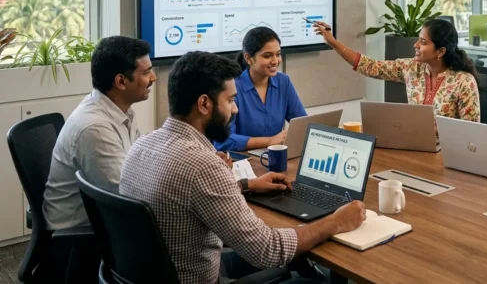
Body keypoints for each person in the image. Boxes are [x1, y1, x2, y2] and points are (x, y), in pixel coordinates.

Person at [120, 51, 366, 284]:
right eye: (230, 100)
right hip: (200, 276)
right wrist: (336, 222)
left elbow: (188, 199)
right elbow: (268, 250)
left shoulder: (142, 144)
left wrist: (246, 185)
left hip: (164, 272)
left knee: (298, 258)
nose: (235, 109)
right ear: (204, 104)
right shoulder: (202, 166)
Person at [44, 36, 156, 231]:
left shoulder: (121, 110)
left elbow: (141, 160)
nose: (153, 78)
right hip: (81, 234)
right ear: (121, 81)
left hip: (103, 218)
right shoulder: (95, 128)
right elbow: (126, 195)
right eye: (146, 72)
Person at [313, 18, 480, 122]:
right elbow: (369, 66)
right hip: (415, 149)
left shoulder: (464, 82)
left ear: (441, 51)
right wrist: (332, 42)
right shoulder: (411, 68)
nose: (415, 45)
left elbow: (471, 135)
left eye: (423, 42)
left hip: (448, 155)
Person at [214, 27, 306, 152]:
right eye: (267, 56)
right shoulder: (232, 87)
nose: (275, 61)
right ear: (248, 58)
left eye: (278, 54)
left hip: (274, 155)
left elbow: (303, 124)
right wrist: (270, 141)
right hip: (242, 161)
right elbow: (223, 141)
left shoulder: (283, 81)